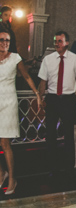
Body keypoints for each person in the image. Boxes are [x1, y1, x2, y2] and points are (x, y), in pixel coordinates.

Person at [36, 30, 76, 184]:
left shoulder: (75, 58)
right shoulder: (48, 60)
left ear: (67, 43)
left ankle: (69, 169)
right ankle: (53, 168)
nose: (57, 44)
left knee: (68, 135)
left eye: (60, 41)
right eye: (55, 41)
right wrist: (40, 97)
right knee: (50, 134)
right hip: (53, 98)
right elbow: (43, 81)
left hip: (68, 98)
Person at [0, 28, 40, 196]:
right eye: (2, 40)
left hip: (8, 103)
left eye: (7, 40)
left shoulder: (15, 58)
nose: (5, 43)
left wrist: (37, 93)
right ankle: (2, 173)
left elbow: (27, 76)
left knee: (5, 143)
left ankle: (12, 179)